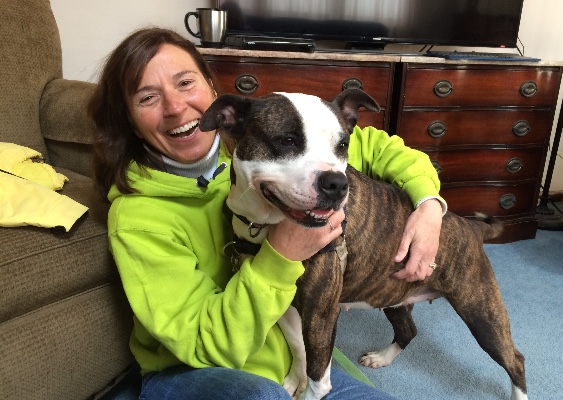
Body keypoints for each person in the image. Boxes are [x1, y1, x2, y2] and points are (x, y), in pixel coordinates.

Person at [89, 27, 445, 400]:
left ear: (213, 91)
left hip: (293, 359)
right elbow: (203, 346)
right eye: (148, 97)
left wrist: (429, 206)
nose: (175, 107)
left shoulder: (266, 138)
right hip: (194, 370)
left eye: (185, 83)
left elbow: (383, 149)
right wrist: (282, 254)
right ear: (129, 120)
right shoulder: (138, 219)